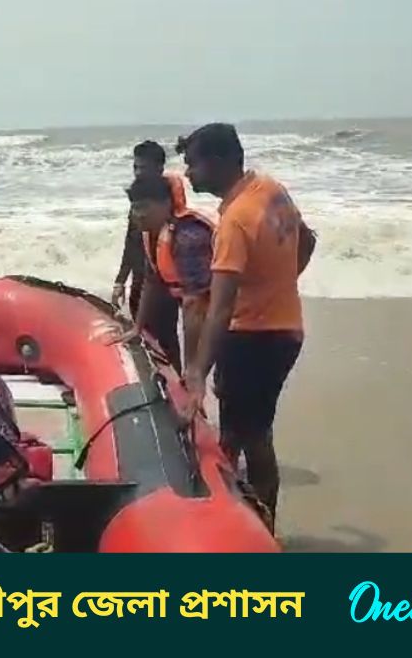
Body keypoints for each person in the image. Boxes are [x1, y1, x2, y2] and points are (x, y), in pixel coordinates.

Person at [177, 123, 317, 530]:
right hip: (286, 331)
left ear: (220, 161)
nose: (188, 173)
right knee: (238, 432)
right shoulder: (271, 189)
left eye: (193, 164)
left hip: (254, 339)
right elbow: (307, 241)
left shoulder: (235, 222)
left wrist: (196, 374)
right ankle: (233, 516)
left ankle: (262, 530)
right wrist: (278, 286)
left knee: (254, 437)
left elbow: (219, 310)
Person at [108, 174, 215, 373]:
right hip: (210, 310)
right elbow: (151, 279)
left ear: (166, 203)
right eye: (134, 208)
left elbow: (194, 306)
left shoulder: (187, 237)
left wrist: (192, 367)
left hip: (237, 315)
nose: (137, 215)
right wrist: (138, 328)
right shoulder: (152, 232)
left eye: (144, 207)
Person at [111, 140, 190, 364]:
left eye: (143, 168)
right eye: (135, 167)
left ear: (159, 168)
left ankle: (176, 375)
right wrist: (120, 280)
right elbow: (131, 242)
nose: (138, 173)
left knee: (165, 337)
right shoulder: (139, 201)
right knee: (142, 333)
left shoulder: (164, 204)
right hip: (144, 277)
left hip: (164, 281)